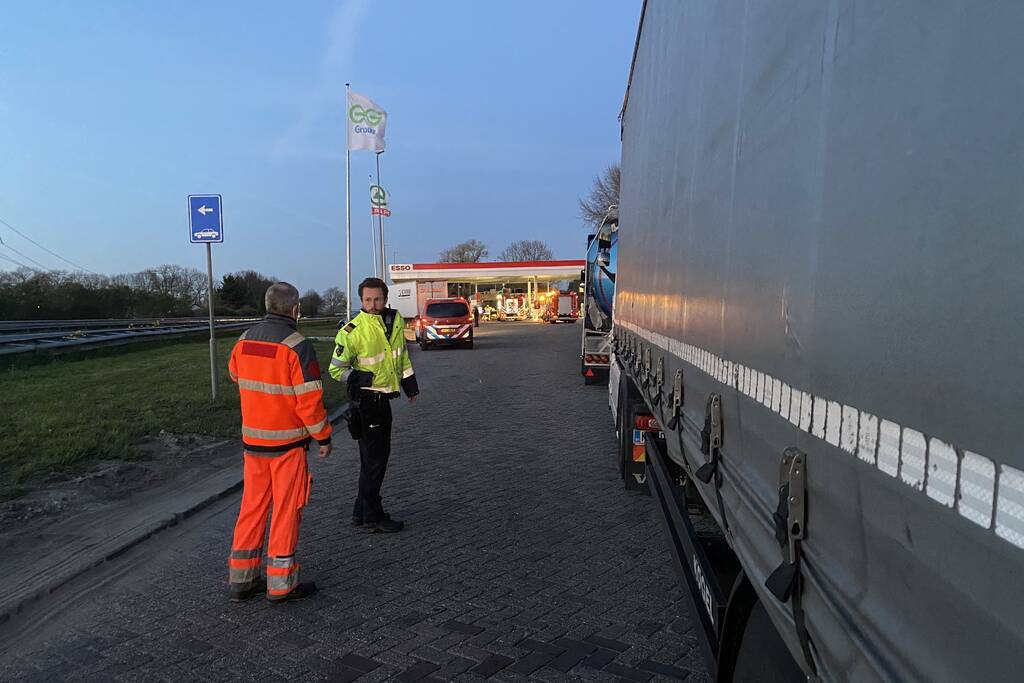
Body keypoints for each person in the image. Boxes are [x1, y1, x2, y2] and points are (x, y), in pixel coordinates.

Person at [225, 282, 332, 603]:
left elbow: (235, 375)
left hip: (253, 443)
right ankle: (281, 584)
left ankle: (242, 579)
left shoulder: (244, 339)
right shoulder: (297, 346)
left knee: (252, 508)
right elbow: (309, 402)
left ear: (267, 305)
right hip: (287, 446)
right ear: (295, 309)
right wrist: (323, 436)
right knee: (287, 509)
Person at [329, 277, 419, 533]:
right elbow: (335, 370)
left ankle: (360, 512)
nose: (372, 304)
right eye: (367, 299)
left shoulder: (394, 321)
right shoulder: (352, 330)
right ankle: (372, 515)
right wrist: (359, 377)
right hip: (367, 402)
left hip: (384, 401)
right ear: (360, 300)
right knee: (376, 461)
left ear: (385, 299)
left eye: (377, 299)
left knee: (371, 461)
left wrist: (410, 386)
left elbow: (401, 357)